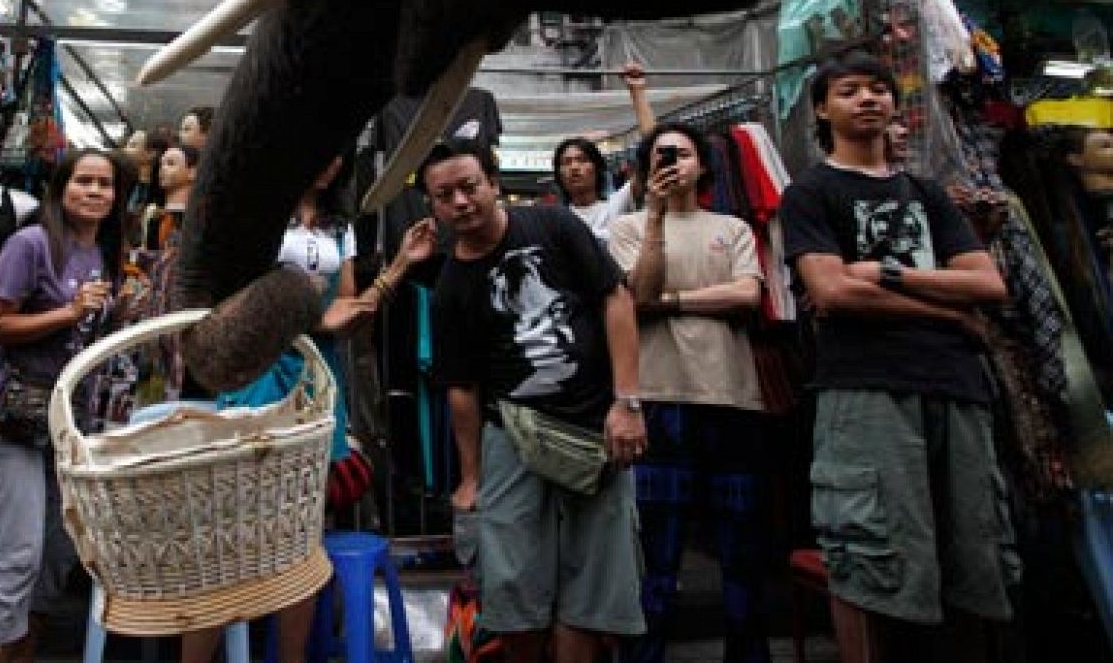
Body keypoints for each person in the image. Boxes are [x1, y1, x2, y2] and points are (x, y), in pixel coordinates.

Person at [778, 52, 1015, 663]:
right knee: (867, 546)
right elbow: (833, 292)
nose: (868, 99)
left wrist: (884, 274)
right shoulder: (809, 193)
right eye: (849, 90)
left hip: (956, 386)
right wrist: (949, 313)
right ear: (822, 110)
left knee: (975, 548)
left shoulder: (926, 193)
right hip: (865, 385)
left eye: (878, 89)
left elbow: (988, 284)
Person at [181, 151, 435, 663]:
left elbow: (346, 306)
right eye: (318, 146)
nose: (329, 160)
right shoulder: (252, 217)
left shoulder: (340, 227)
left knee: (302, 534)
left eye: (338, 152)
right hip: (256, 373)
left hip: (317, 378)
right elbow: (232, 302)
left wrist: (401, 265)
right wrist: (305, 315)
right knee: (230, 534)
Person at [423, 138, 648, 663]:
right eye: (444, 195)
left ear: (493, 183)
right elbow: (461, 387)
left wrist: (628, 403)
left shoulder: (553, 226)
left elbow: (615, 298)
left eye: (469, 187)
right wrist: (470, 476)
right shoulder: (450, 286)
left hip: (594, 427)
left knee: (593, 589)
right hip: (512, 435)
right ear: (432, 206)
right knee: (511, 586)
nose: (460, 202)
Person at [0, 148, 135, 663]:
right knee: (16, 553)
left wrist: (119, 311)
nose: (95, 192)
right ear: (61, 188)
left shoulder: (104, 251)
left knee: (58, 554)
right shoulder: (32, 244)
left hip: (69, 421)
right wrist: (68, 313)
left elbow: (87, 336)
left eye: (105, 184)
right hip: (12, 415)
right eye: (84, 181)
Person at [606, 123, 769, 663]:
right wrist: (653, 216)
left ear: (703, 165)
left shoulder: (733, 227)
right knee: (657, 553)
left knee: (741, 551)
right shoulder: (628, 228)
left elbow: (747, 295)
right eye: (660, 155)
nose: (672, 162)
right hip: (658, 398)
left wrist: (673, 302)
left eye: (682, 153)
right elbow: (639, 296)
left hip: (731, 397)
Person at [552, 62, 656, 244]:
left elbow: (652, 156)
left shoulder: (616, 205)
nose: (574, 167)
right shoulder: (555, 220)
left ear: (597, 168)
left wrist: (637, 91)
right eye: (566, 162)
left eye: (582, 160)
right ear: (559, 174)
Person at [141, 143, 197, 251]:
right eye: (161, 164)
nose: (162, 169)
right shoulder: (154, 216)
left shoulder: (196, 218)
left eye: (171, 163)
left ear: (192, 172)